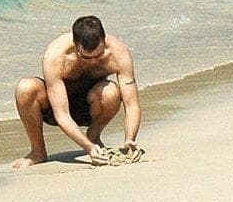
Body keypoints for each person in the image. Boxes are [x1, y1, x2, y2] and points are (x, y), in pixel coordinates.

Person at [13, 15, 142, 168]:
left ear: (104, 39)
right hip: (57, 107)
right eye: (86, 57)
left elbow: (132, 104)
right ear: (75, 45)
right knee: (25, 88)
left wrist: (130, 138)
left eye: (99, 55)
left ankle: (93, 137)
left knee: (111, 91)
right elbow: (62, 115)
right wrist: (87, 149)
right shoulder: (56, 55)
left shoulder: (119, 53)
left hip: (92, 105)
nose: (93, 61)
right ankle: (38, 151)